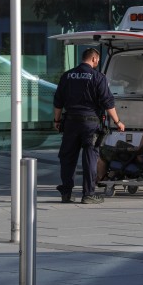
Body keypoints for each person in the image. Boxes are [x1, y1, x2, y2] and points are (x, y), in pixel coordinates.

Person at [53, 48, 125, 205]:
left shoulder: (67, 75)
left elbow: (58, 101)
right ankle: (88, 194)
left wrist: (57, 121)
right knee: (90, 158)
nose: (97, 63)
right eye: (97, 61)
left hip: (70, 122)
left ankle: (66, 193)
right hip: (90, 124)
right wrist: (118, 121)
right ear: (94, 59)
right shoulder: (98, 77)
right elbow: (108, 102)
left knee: (67, 158)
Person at [96, 98, 143, 181]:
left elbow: (140, 150)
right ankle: (113, 174)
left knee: (102, 152)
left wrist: (130, 149)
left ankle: (102, 179)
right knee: (119, 143)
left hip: (141, 157)